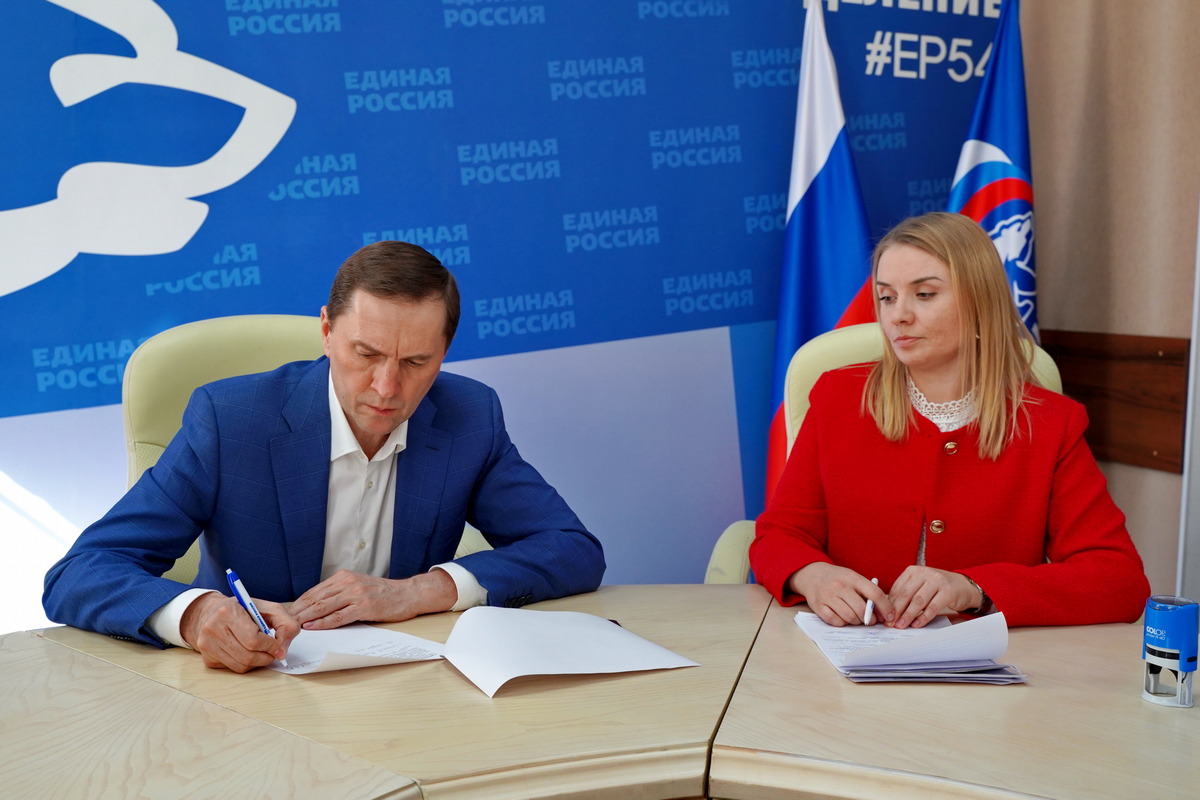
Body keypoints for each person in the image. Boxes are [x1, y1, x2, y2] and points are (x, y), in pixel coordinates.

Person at [44, 241, 605, 671]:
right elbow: (80, 573)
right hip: (250, 689)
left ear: (444, 354)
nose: (387, 388)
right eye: (367, 354)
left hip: (406, 686)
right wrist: (195, 615)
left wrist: (418, 591)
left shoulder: (469, 416)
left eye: (415, 362)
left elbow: (572, 549)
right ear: (327, 332)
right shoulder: (230, 421)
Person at [750, 212, 1149, 630]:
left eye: (924, 294)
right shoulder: (837, 398)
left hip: (986, 663)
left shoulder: (1050, 423)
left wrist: (975, 589)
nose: (898, 316)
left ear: (979, 302)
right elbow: (778, 535)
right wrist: (812, 575)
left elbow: (1118, 579)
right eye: (886, 297)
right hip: (847, 650)